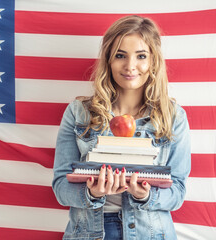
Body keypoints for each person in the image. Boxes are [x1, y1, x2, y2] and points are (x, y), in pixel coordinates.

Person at [52, 15, 191, 240]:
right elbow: (61, 186)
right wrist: (92, 192)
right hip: (90, 232)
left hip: (151, 233)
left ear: (153, 61)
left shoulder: (173, 117)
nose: (130, 66)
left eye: (141, 56)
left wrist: (146, 196)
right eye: (120, 56)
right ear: (108, 60)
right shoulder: (79, 112)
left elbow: (178, 191)